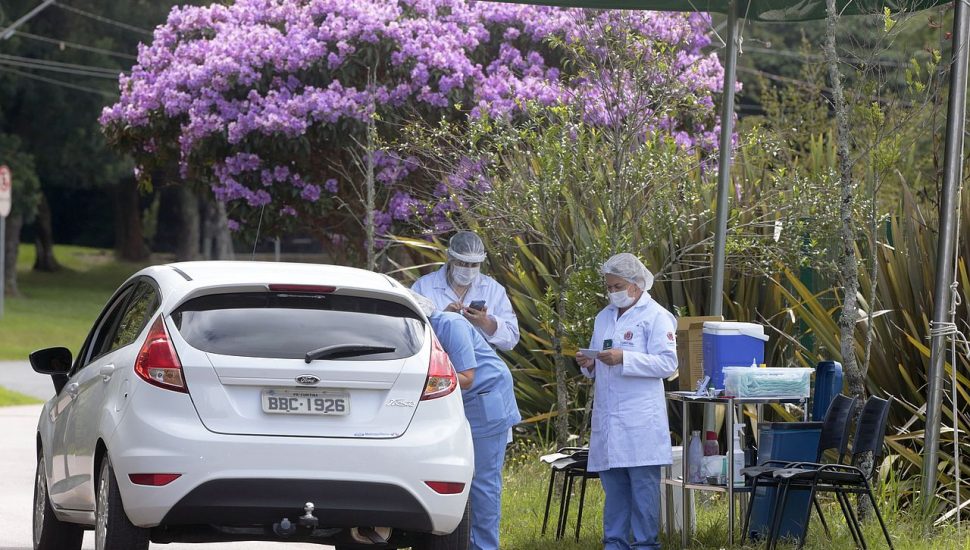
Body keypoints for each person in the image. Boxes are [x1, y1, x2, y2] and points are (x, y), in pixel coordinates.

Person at [574, 253, 677, 550]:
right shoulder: (604, 316)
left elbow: (667, 364)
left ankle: (646, 545)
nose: (612, 292)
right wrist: (588, 363)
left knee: (643, 490)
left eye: (616, 285)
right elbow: (597, 356)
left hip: (641, 421)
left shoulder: (656, 316)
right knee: (615, 489)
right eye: (608, 287)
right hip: (608, 418)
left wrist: (625, 358)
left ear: (635, 284)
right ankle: (615, 544)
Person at [410, 291, 521, 550]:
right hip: (462, 400)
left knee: (483, 480)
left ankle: (484, 546)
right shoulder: (423, 333)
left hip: (486, 398)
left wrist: (419, 381)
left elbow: (467, 377)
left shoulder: (450, 324)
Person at [412, 230, 519, 351]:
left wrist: (485, 322)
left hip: (481, 365)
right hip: (439, 363)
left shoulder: (493, 289)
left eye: (474, 265)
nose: (468, 269)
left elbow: (511, 339)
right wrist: (442, 319)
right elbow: (412, 333)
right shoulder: (424, 286)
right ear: (451, 258)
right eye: (462, 263)